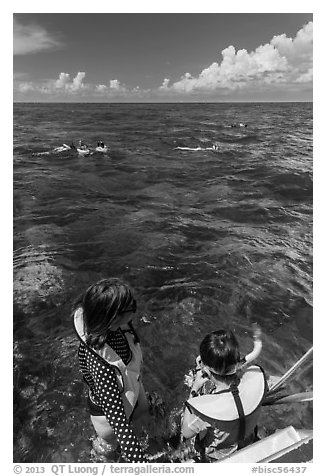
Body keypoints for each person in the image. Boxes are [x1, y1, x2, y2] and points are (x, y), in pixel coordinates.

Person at [73, 278, 149, 462]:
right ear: (112, 319)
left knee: (141, 420)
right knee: (110, 446)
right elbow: (119, 423)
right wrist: (142, 464)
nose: (134, 310)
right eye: (129, 311)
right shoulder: (100, 365)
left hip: (128, 390)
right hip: (108, 417)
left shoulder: (108, 327)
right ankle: (100, 459)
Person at [181, 326, 267, 462]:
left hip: (220, 459)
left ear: (207, 370)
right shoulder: (257, 378)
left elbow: (186, 433)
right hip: (250, 444)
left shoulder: (202, 409)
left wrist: (194, 389)